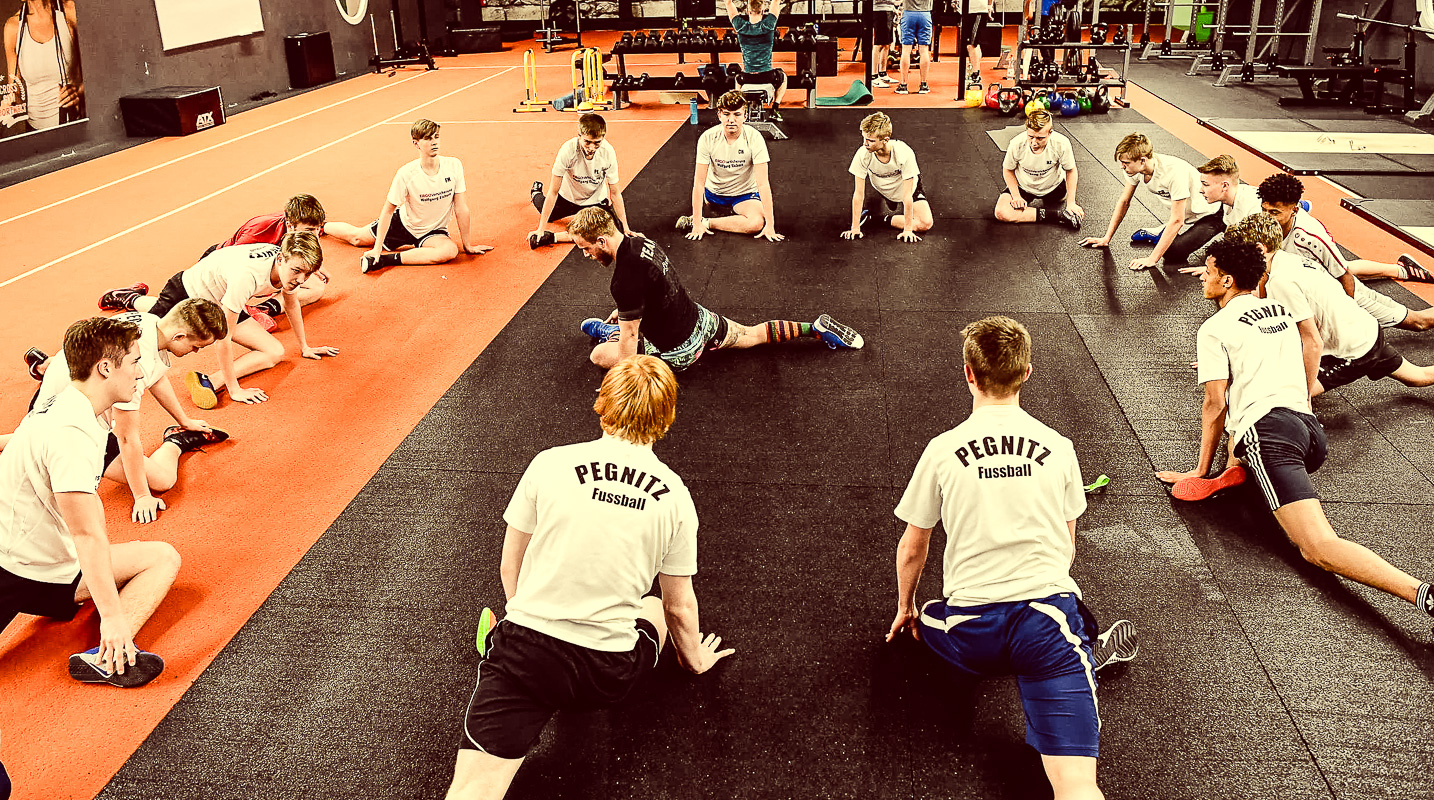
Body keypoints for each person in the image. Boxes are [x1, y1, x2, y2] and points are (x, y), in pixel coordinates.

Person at [442, 354, 733, 800]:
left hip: (526, 659)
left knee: (473, 791)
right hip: (604, 672)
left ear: (603, 403)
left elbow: (510, 566)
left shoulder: (549, 463)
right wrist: (693, 659)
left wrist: (521, 627)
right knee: (650, 607)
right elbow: (677, 605)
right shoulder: (676, 496)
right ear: (667, 417)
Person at [888, 315, 1136, 800]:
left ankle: (1069, 649)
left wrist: (904, 608)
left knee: (926, 620)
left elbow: (913, 547)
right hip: (1047, 627)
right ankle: (1080, 648)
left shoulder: (941, 451)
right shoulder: (1060, 448)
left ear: (968, 373)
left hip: (970, 633)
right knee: (1078, 786)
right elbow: (1067, 545)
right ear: (1026, 373)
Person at [1156, 241, 1434, 629]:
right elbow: (1304, 351)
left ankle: (1424, 594)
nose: (1203, 273)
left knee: (1317, 547)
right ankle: (1241, 466)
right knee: (1249, 422)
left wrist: (1199, 472)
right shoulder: (1280, 312)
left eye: (1209, 268)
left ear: (1228, 279)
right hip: (1309, 433)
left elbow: (1215, 406)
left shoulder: (1214, 328)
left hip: (1271, 437)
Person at [0, 317, 182, 688]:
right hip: (26, 567)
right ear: (104, 368)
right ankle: (110, 652)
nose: (140, 371)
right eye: (134, 362)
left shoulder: (72, 403)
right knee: (162, 558)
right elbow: (87, 534)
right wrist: (114, 620)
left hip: (26, 555)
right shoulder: (73, 433)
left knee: (153, 555)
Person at [569, 207, 862, 372]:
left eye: (586, 248)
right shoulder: (641, 242)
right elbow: (652, 285)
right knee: (752, 335)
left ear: (603, 241)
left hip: (679, 351)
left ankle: (610, 334)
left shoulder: (623, 280)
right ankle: (815, 328)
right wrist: (625, 309)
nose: (586, 255)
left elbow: (630, 345)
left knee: (600, 355)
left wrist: (626, 387)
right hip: (702, 321)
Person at [23, 300, 231, 523]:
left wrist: (184, 419)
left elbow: (156, 376)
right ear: (179, 336)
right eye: (196, 346)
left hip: (56, 402)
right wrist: (142, 496)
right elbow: (125, 437)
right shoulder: (130, 368)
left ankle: (178, 431)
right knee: (162, 480)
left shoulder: (151, 324)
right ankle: (176, 441)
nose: (196, 351)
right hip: (71, 427)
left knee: (28, 444)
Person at [97, 231, 338, 410]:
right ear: (280, 259)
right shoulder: (248, 276)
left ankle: (209, 381)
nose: (301, 278)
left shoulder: (287, 268)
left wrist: (304, 346)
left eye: (307, 273)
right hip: (186, 294)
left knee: (274, 351)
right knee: (144, 340)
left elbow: (291, 302)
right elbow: (224, 336)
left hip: (221, 298)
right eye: (297, 271)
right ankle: (127, 300)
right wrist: (235, 390)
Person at [1224, 213, 1434, 397]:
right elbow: (1261, 307)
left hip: (1354, 351)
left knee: (1283, 396)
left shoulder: (1282, 281)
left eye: (1239, 253)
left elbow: (1313, 342)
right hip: (1366, 330)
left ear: (1260, 249)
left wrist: (1302, 398)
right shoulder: (1284, 260)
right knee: (1417, 376)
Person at [1257, 172, 1434, 332]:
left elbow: (1344, 274)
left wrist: (1346, 314)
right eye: (1264, 210)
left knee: (1419, 322)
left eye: (1274, 213)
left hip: (1342, 291)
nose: (1266, 217)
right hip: (1314, 280)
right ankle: (1402, 269)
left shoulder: (1309, 238)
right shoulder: (1264, 221)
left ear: (1295, 210)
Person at [324, 119, 492, 273]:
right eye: (427, 138)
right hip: (403, 224)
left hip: (433, 231)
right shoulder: (406, 174)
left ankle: (384, 260)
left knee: (450, 251)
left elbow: (461, 207)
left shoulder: (454, 166)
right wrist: (376, 247)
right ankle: (322, 226)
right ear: (416, 144)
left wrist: (467, 244)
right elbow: (388, 211)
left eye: (436, 137)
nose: (433, 142)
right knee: (357, 238)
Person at [1080, 133, 1220, 270]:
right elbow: (1124, 201)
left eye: (1126, 163)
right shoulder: (1135, 170)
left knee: (1173, 252)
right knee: (1169, 242)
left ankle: (1161, 232)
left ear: (1142, 161)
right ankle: (1160, 231)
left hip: (1212, 214)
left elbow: (1178, 220)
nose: (1122, 167)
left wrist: (1151, 259)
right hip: (1186, 214)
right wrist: (1106, 238)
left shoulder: (1174, 172)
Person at [201, 193, 331, 332]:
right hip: (222, 266)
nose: (316, 235)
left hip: (266, 268)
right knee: (245, 286)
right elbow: (234, 267)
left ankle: (261, 310)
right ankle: (242, 314)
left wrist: (308, 268)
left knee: (317, 286)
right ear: (290, 226)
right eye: (310, 231)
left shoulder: (305, 225)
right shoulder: (258, 230)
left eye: (318, 229)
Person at [678, 90, 782, 242]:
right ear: (719, 115)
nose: (731, 119)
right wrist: (696, 223)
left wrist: (770, 225)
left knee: (757, 223)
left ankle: (707, 222)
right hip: (714, 194)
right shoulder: (707, 138)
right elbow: (699, 183)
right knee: (706, 197)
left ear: (745, 116)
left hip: (744, 195)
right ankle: (699, 219)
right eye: (726, 114)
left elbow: (763, 184)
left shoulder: (754, 138)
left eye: (737, 114)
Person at [527, 113, 634, 249]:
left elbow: (615, 193)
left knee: (614, 232)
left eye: (597, 143)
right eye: (587, 142)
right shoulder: (568, 150)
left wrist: (625, 227)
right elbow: (553, 192)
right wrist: (540, 229)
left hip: (595, 201)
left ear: (603, 138)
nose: (591, 147)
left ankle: (552, 237)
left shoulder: (608, 153)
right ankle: (535, 193)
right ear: (579, 136)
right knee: (545, 212)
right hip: (567, 198)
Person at [841, 112, 933, 242]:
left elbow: (907, 196)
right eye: (864, 138)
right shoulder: (863, 154)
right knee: (893, 201)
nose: (865, 144)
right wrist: (855, 228)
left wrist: (907, 230)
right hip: (883, 187)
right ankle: (889, 199)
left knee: (925, 223)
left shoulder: (903, 153)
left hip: (907, 189)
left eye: (871, 141)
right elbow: (858, 194)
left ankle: (876, 219)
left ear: (885, 140)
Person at [993, 108, 1082, 230]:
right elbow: (1008, 170)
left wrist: (1071, 203)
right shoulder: (1017, 144)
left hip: (1054, 188)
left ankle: (1048, 209)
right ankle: (1059, 216)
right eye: (1031, 137)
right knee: (1001, 212)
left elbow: (1071, 170)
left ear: (1050, 133)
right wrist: (1016, 196)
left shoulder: (1061, 143)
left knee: (1058, 198)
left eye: (1040, 138)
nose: (1034, 143)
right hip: (1024, 187)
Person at [1, 0, 83, 131]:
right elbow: (14, 88)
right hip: (35, 130)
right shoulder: (13, 27)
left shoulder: (70, 12)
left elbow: (99, 70)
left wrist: (79, 92)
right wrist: (9, 105)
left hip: (74, 124)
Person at [1182, 154, 1263, 268]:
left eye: (1205, 184)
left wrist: (1214, 270)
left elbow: (1259, 255)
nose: (1201, 190)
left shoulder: (1253, 208)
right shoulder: (1228, 201)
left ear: (1225, 186)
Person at [723, 0, 787, 116]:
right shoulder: (768, 25)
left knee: (737, 78)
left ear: (747, 11)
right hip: (767, 75)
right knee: (783, 77)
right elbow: (776, 2)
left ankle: (739, 109)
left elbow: (728, 3)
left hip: (747, 77)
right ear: (763, 11)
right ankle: (775, 108)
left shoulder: (741, 26)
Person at [896, 0, 933, 95]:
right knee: (924, 50)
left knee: (906, 50)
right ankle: (924, 84)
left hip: (908, 13)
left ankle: (903, 85)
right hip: (925, 14)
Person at [961, 0, 995, 88]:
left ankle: (975, 74)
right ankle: (973, 69)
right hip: (967, 10)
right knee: (973, 43)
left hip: (977, 10)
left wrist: (989, 5)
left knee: (971, 44)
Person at [871, 0, 899, 88]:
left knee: (887, 44)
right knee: (878, 44)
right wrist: (893, 2)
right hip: (879, 12)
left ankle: (882, 73)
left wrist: (893, 8)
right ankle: (873, 76)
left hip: (888, 11)